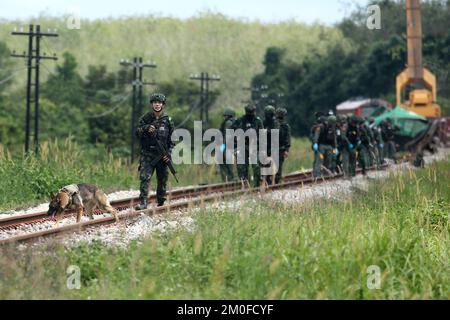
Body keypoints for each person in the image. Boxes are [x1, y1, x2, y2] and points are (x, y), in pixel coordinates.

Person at [135, 93, 175, 210]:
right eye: (155, 102)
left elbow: (172, 139)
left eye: (159, 102)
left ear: (163, 104)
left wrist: (169, 153)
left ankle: (161, 201)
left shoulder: (168, 120)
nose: (157, 104)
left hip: (162, 155)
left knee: (162, 179)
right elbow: (137, 133)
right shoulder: (146, 118)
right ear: (152, 104)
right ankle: (143, 202)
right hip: (147, 154)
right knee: (145, 178)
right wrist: (146, 128)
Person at [233, 103, 264, 187]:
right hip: (243, 146)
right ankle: (244, 185)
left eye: (252, 112)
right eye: (249, 112)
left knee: (256, 166)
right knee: (242, 166)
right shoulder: (240, 120)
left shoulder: (258, 121)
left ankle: (257, 186)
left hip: (254, 146)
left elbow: (262, 136)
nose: (251, 114)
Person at [262, 105, 279, 185]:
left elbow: (275, 132)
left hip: (273, 146)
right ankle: (266, 181)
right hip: (265, 146)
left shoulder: (275, 122)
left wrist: (266, 131)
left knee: (273, 164)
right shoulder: (264, 122)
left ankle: (273, 181)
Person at [219, 107, 236, 182]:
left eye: (226, 115)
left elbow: (226, 136)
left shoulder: (228, 123)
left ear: (229, 116)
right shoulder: (234, 122)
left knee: (224, 162)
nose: (224, 117)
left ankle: (228, 179)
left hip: (228, 146)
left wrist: (222, 147)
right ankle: (230, 179)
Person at [275, 107, 291, 184]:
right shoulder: (286, 126)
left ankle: (268, 182)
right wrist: (287, 150)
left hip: (270, 149)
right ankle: (276, 183)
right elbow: (287, 139)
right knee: (278, 167)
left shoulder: (271, 124)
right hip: (281, 149)